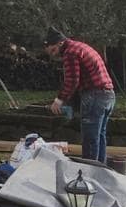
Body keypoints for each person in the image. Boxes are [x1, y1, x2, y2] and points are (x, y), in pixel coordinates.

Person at [42, 27, 116, 164]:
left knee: (90, 139)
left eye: (53, 50)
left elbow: (72, 80)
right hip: (108, 94)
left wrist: (59, 100)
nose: (54, 55)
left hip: (94, 96)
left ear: (60, 43)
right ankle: (100, 169)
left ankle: (88, 172)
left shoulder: (70, 53)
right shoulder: (80, 46)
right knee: (99, 136)